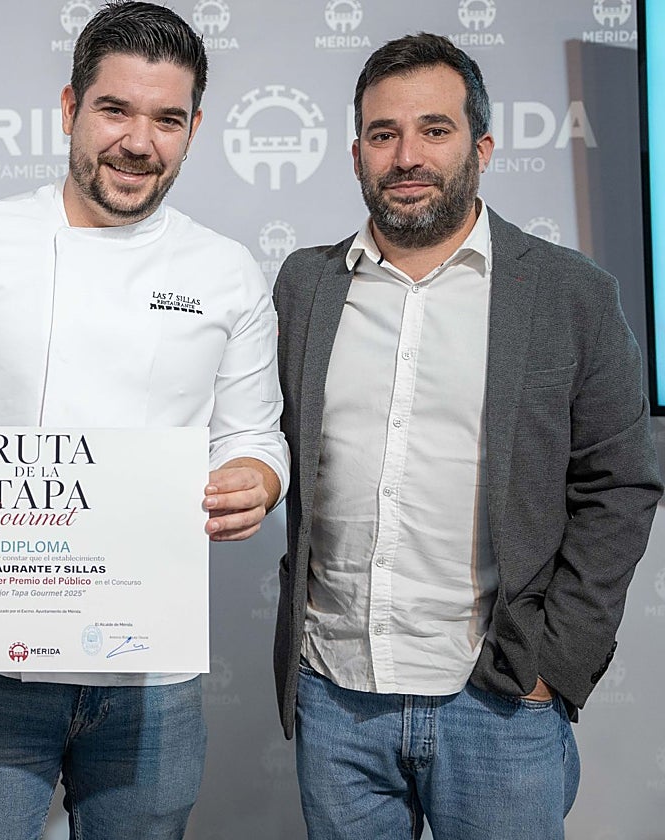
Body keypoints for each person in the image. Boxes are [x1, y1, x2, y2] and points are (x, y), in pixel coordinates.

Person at [0, 3, 288, 837]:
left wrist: (254, 482)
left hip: (149, 664)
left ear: (193, 129)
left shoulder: (225, 272)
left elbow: (254, 439)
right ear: (71, 107)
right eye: (116, 110)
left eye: (168, 119)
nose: (140, 142)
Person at [271, 32, 663, 840]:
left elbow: (620, 482)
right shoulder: (307, 286)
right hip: (336, 697)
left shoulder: (571, 294)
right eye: (384, 135)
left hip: (498, 704)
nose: (407, 155)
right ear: (356, 155)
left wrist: (556, 665)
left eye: (434, 130)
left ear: (481, 146)